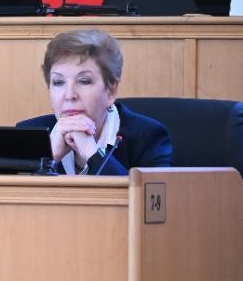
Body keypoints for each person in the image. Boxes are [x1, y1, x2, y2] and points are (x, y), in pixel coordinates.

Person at [18, 28, 171, 175]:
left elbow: (146, 193)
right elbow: (13, 192)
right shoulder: (28, 135)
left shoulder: (147, 138)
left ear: (111, 91)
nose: (69, 95)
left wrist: (93, 154)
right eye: (58, 82)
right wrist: (48, 159)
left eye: (84, 81)